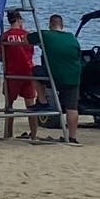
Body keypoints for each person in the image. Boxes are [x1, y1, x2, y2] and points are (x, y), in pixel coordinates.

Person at [28, 14, 82, 144]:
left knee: (34, 71)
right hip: (73, 76)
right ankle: (72, 137)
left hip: (54, 76)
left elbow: (26, 39)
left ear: (50, 25)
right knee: (72, 108)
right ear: (62, 25)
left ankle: (42, 100)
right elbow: (77, 54)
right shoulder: (72, 38)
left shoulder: (45, 35)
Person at [0, 9, 38, 141]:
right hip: (27, 72)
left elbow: (0, 57)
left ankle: (8, 133)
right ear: (19, 20)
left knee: (9, 104)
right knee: (30, 105)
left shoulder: (5, 36)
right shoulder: (27, 35)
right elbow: (31, 52)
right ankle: (34, 133)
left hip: (12, 73)